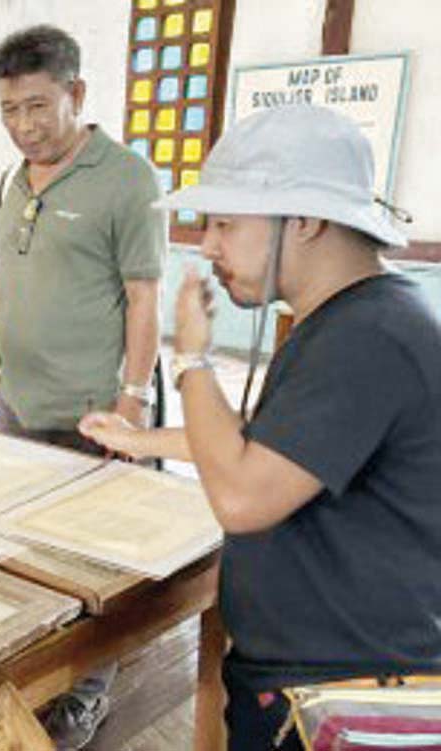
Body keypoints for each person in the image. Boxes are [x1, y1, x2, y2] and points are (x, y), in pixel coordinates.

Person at [79, 105, 440, 751]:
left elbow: (245, 496)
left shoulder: (370, 335)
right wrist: (140, 439)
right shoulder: (352, 319)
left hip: (342, 690)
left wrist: (190, 355)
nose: (209, 244)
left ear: (304, 220)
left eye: (225, 223)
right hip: (309, 675)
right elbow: (275, 440)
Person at [0, 25, 167, 748]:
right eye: (8, 111)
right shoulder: (13, 179)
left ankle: (88, 692)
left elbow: (144, 297)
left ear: (76, 94)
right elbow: (2, 282)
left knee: (100, 564)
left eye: (37, 106)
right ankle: (41, 674)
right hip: (21, 406)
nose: (23, 126)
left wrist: (133, 401)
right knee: (29, 551)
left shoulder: (126, 176)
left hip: (96, 415)